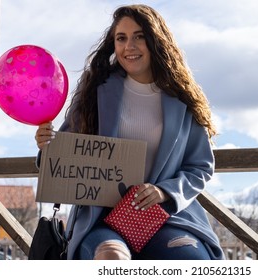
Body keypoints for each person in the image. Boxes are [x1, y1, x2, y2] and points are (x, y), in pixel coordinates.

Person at [35, 4, 224, 260]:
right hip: (100, 219)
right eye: (121, 38)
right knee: (111, 258)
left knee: (193, 261)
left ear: (156, 41)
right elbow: (65, 153)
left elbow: (200, 167)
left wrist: (165, 191)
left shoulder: (183, 99)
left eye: (139, 37)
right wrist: (48, 145)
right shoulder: (94, 90)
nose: (129, 47)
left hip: (163, 216)